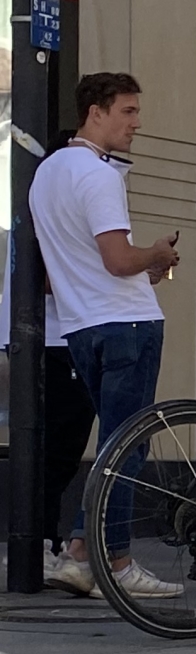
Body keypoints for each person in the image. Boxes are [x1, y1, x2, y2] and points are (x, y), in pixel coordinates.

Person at [33, 73, 178, 599]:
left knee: (115, 444)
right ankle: (115, 562)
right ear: (95, 111)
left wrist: (144, 267)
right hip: (126, 322)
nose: (136, 123)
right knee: (127, 448)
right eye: (127, 111)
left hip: (80, 327)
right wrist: (157, 254)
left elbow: (65, 268)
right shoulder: (98, 176)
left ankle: (78, 550)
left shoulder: (47, 173)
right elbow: (118, 260)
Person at [0, 244, 98, 590]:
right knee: (58, 450)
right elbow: (41, 280)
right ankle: (37, 545)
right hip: (57, 337)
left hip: (43, 336)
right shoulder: (53, 199)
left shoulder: (36, 201)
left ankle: (39, 544)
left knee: (52, 449)